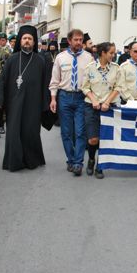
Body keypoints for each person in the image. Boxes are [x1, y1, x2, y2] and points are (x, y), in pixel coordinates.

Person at [0, 25, 51, 171]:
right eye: (24, 38)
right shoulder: (12, 59)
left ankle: (31, 160)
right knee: (14, 131)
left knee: (31, 131)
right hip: (14, 102)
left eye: (30, 38)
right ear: (20, 41)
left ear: (34, 42)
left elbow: (45, 84)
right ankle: (14, 161)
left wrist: (46, 104)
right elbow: (2, 81)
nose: (27, 41)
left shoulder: (41, 61)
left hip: (33, 103)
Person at [49, 29, 94, 176]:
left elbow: (93, 80)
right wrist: (53, 99)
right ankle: (71, 159)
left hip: (82, 97)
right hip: (64, 97)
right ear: (69, 41)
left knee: (80, 132)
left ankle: (78, 163)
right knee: (66, 132)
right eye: (76, 39)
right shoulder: (60, 58)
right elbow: (54, 81)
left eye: (81, 40)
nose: (79, 42)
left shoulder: (89, 58)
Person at [81, 42, 121, 179]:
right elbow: (85, 87)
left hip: (109, 107)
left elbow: (118, 87)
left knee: (105, 139)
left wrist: (107, 102)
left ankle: (100, 165)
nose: (113, 55)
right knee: (93, 139)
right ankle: (91, 159)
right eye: (111, 53)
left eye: (114, 52)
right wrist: (94, 100)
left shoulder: (116, 68)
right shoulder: (90, 68)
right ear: (103, 53)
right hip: (91, 107)